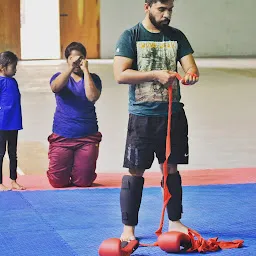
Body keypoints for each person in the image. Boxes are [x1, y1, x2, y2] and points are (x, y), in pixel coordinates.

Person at [113, 0, 199, 241]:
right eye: (161, 9)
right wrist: (155, 75)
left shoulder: (176, 36)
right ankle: (128, 230)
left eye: (170, 9)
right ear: (147, 7)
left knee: (171, 168)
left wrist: (191, 76)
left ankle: (175, 221)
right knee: (135, 171)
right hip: (142, 116)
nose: (166, 14)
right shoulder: (131, 36)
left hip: (172, 115)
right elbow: (120, 75)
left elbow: (191, 66)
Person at [47, 42, 102, 188]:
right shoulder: (59, 77)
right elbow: (55, 88)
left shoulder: (93, 78)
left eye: (81, 58)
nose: (77, 62)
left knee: (84, 182)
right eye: (73, 59)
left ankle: (80, 168)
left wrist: (86, 71)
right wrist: (70, 68)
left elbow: (92, 97)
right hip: (62, 135)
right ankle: (66, 166)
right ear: (67, 60)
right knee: (57, 182)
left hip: (87, 137)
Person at [0, 51, 25, 191]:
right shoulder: (0, 81)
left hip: (13, 121)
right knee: (0, 152)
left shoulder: (13, 81)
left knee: (13, 152)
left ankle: (13, 180)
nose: (15, 69)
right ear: (2, 68)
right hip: (2, 122)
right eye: (13, 67)